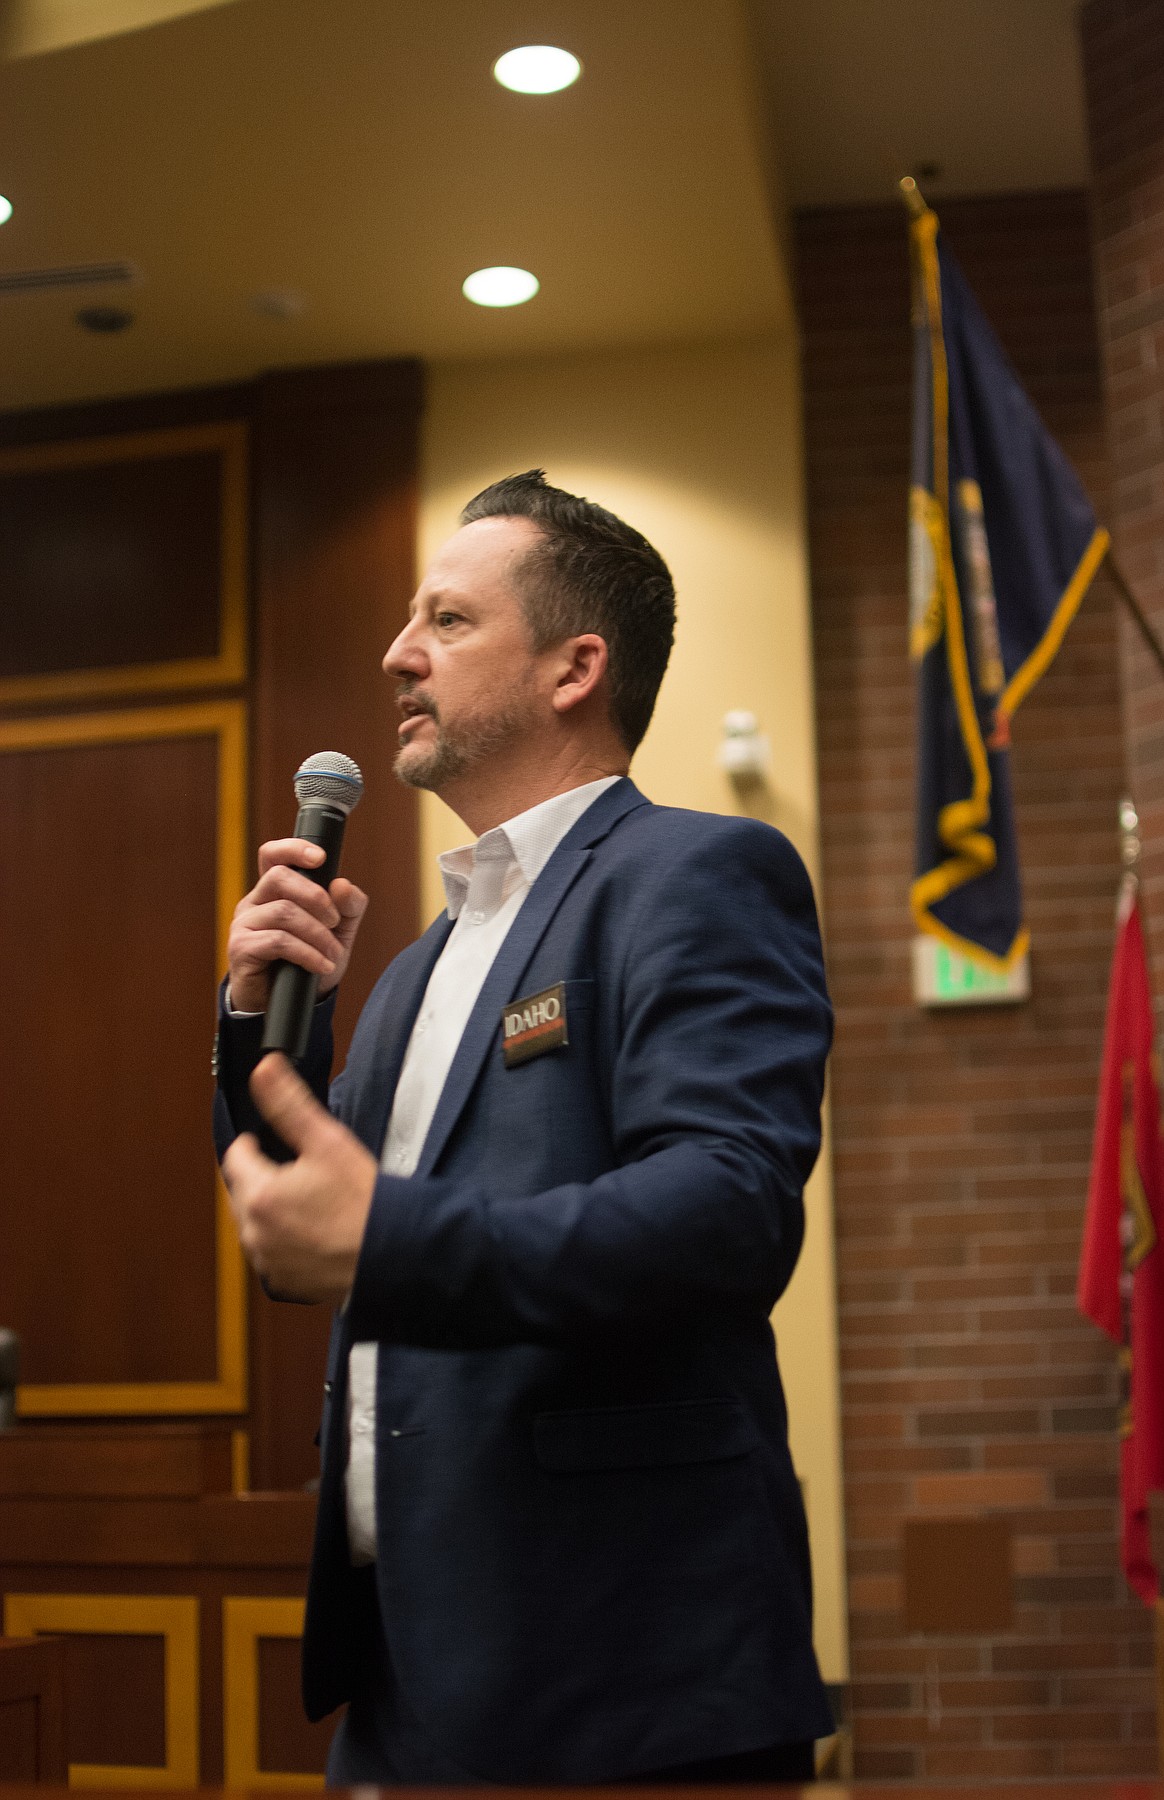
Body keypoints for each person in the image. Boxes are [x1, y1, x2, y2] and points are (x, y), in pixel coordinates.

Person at [214, 470, 834, 1785]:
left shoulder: (697, 874)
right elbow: (302, 1231)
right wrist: (256, 1027)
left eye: (446, 619)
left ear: (574, 668)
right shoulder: (414, 971)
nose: (397, 653)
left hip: (622, 1675)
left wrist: (391, 1241)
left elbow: (725, 1209)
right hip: (408, 1672)